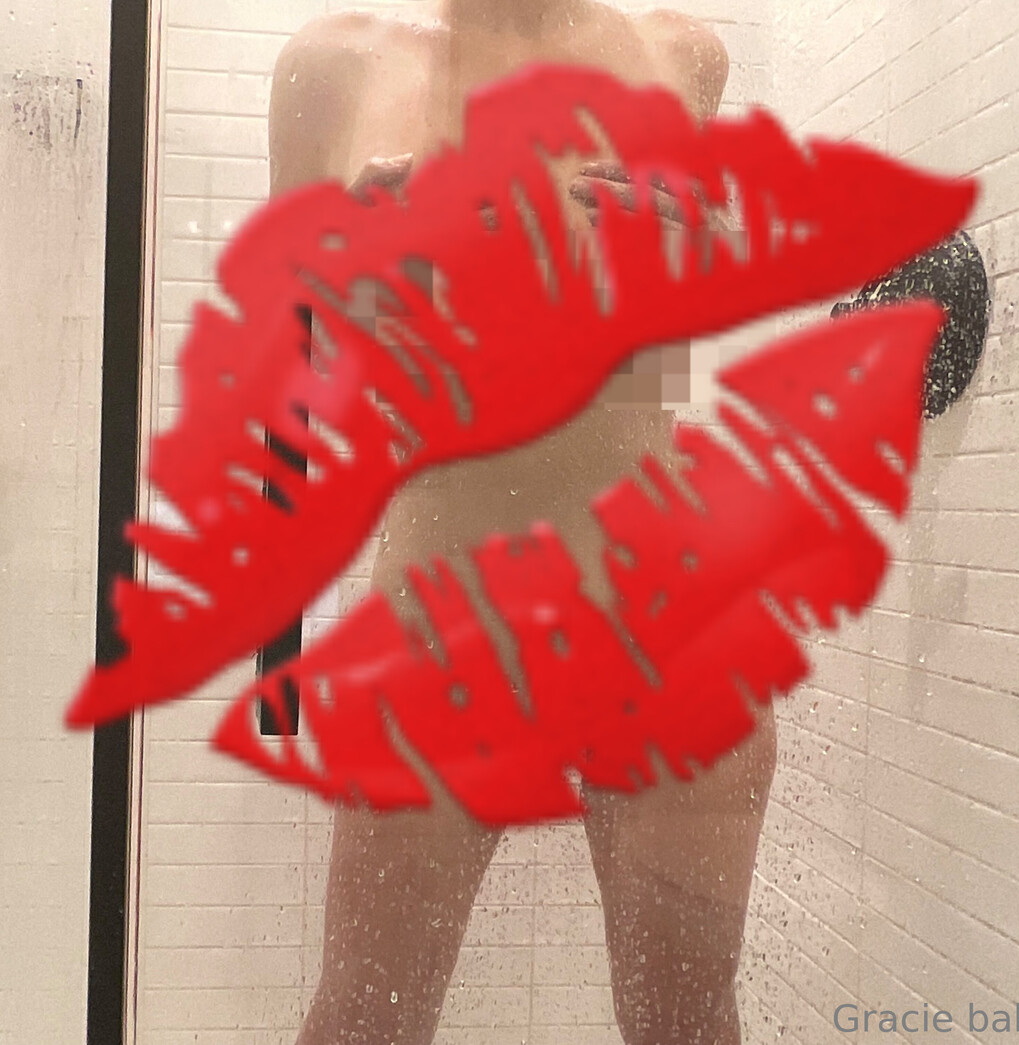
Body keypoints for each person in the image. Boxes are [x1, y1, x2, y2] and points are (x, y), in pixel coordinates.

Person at [269, 3, 777, 1043]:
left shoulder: (684, 54)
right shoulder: (335, 66)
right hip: (440, 621)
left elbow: (659, 367)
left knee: (687, 1024)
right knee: (363, 1020)